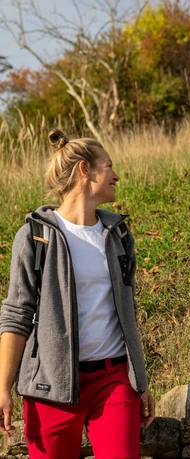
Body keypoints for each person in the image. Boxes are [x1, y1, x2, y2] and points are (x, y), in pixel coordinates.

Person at [0, 129, 155, 459]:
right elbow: (16, 313)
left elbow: (128, 310)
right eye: (108, 166)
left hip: (114, 382)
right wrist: (3, 386)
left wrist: (139, 381)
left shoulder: (118, 234)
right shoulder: (35, 237)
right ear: (85, 170)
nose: (116, 175)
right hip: (50, 386)